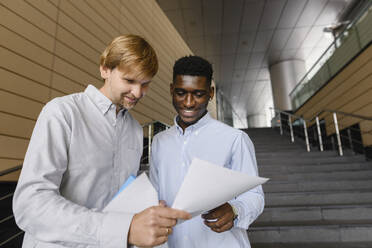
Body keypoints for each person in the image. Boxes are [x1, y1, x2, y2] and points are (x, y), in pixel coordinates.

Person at [13, 35, 190, 248]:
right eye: (130, 81)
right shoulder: (62, 113)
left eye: (145, 84)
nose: (137, 92)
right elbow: (31, 206)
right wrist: (125, 228)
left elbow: (120, 197)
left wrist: (146, 208)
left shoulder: (134, 129)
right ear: (105, 69)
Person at [149, 55, 264, 247]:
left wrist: (235, 211)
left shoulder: (235, 139)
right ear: (171, 90)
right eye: (180, 93)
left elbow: (255, 196)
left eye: (198, 94)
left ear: (210, 93)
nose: (188, 103)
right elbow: (154, 195)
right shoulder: (159, 142)